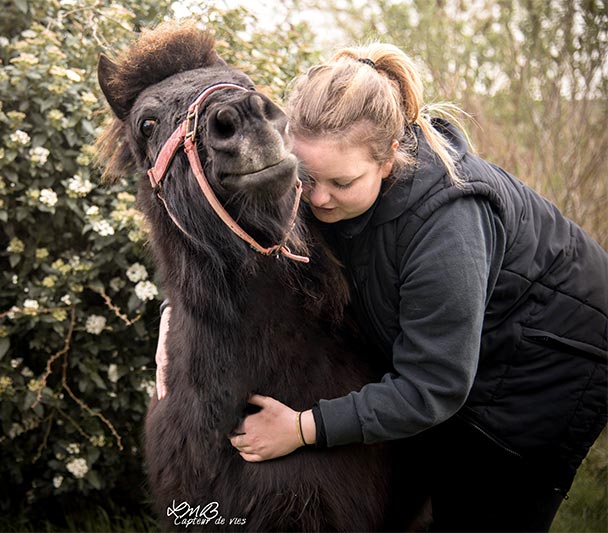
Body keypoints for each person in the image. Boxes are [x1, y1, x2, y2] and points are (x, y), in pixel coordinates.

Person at [155, 43, 608, 531]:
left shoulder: (447, 225)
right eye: (307, 178)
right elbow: (234, 245)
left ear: (389, 158)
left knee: (480, 506)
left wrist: (302, 429)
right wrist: (173, 317)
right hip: (462, 339)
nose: (319, 199)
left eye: (342, 183)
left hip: (552, 353)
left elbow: (433, 386)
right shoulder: (330, 177)